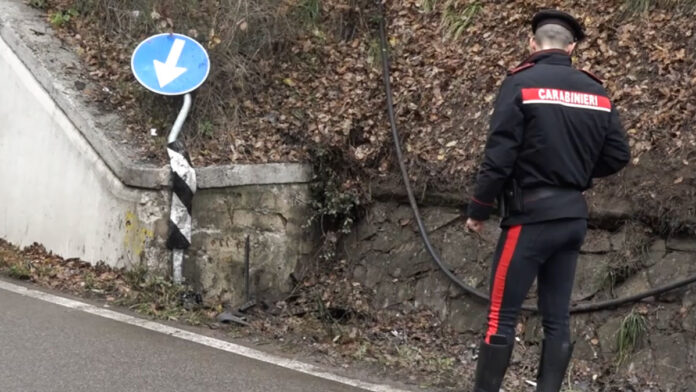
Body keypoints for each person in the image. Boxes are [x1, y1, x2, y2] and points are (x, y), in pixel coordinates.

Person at [465, 9, 631, 392]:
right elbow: (619, 154)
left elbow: (499, 156)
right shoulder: (596, 90)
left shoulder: (520, 83)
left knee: (500, 318)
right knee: (557, 319)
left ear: (532, 43)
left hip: (529, 219)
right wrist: (577, 173)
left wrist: (479, 209)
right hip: (572, 217)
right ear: (571, 47)